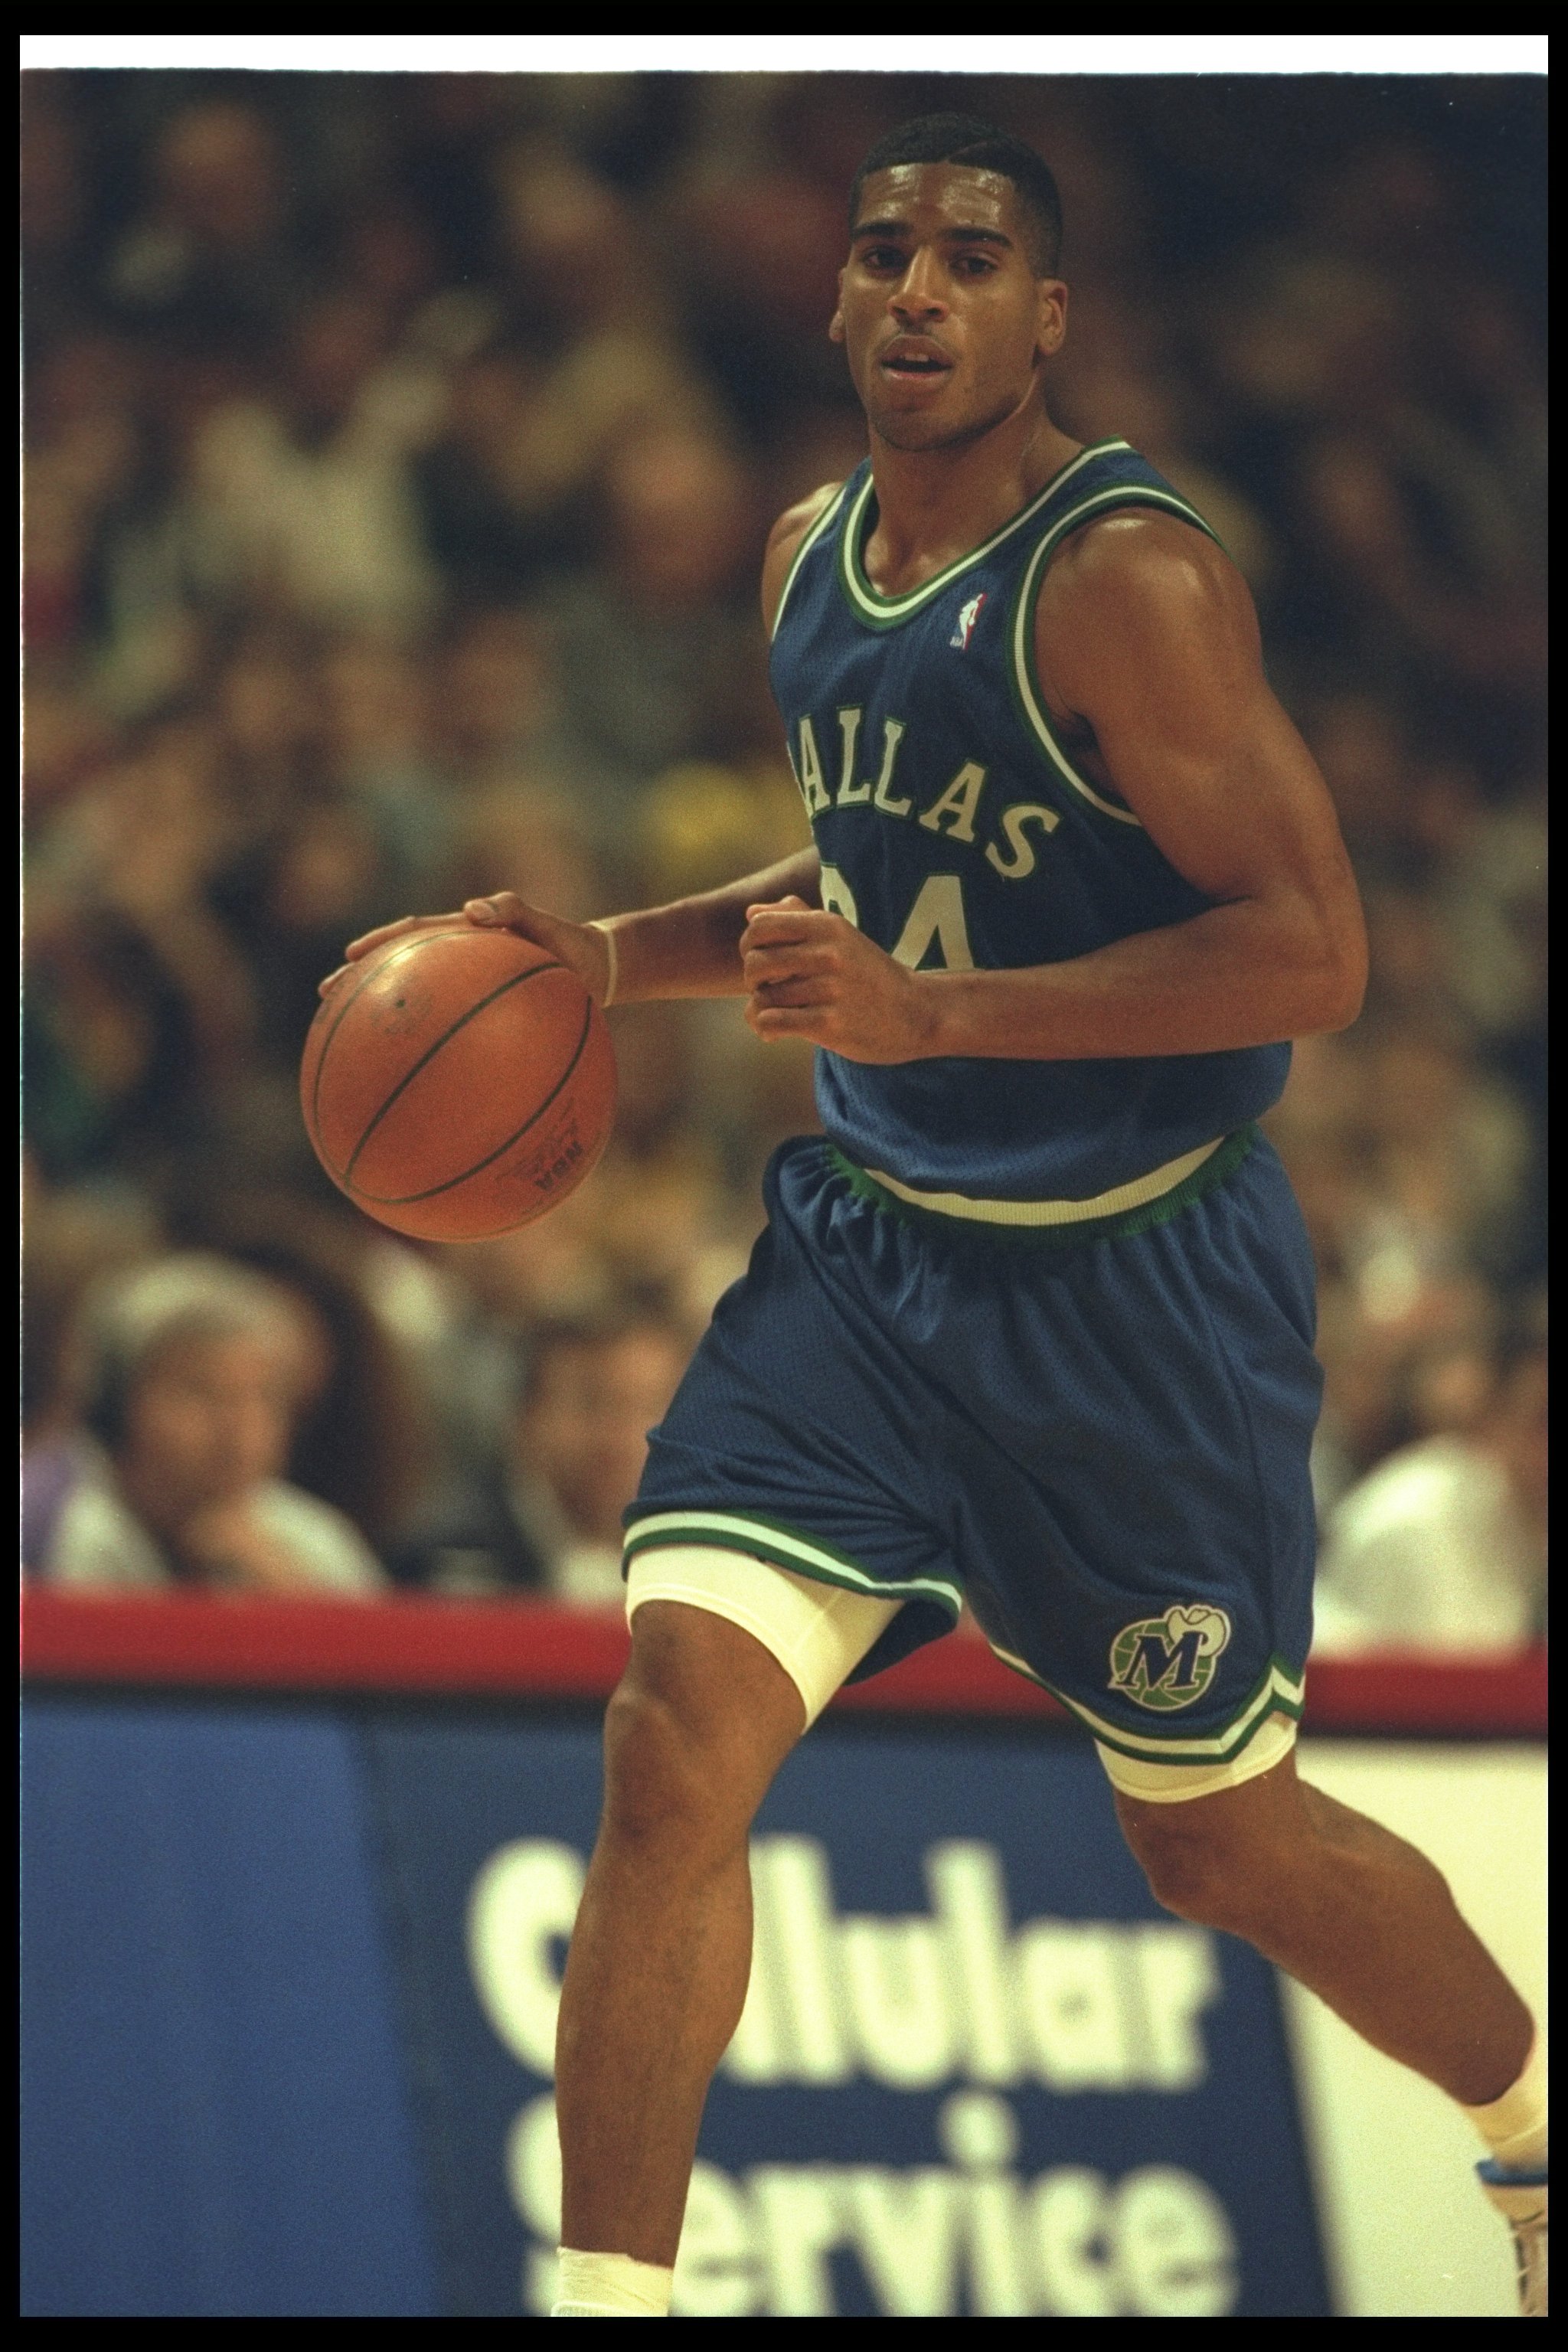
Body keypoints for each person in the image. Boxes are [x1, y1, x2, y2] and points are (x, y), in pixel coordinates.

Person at [336, 117, 1546, 2319]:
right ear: (830, 297)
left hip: (1136, 1293)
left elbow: (1313, 949)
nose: (917, 286)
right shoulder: (811, 556)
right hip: (873, 1265)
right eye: (883, 249)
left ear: (1044, 314)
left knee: (1220, 1846)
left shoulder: (1133, 579)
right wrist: (601, 959)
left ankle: (1539, 2134)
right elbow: (868, 884)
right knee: (671, 1736)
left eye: (971, 257)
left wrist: (934, 1004)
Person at [37, 1253, 385, 1597]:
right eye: (202, 1393)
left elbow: (378, 1650)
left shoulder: (315, 1540)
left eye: (263, 1397)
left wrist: (286, 1591)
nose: (239, 1428)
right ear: (117, 1402)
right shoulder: (48, 1526)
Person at [393, 1305, 691, 1605]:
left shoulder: (702, 1563)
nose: (619, 1438)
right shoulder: (448, 1563)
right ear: (522, 1420)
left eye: (650, 1408)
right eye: (589, 1403)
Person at [1315, 1331, 1547, 1658]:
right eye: (1542, 1421)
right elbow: (1461, 1697)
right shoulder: (1416, 1522)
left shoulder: (1528, 1517)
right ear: (1495, 1420)